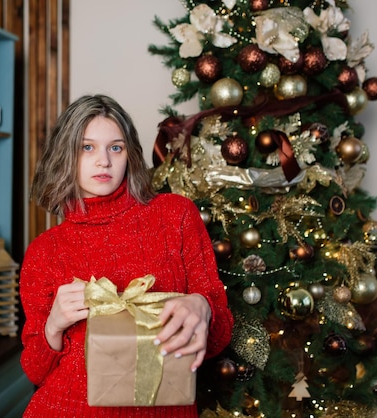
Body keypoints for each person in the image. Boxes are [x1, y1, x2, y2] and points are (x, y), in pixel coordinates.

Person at [19, 94, 233, 417]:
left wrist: (203, 307)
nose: (103, 161)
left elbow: (218, 339)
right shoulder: (43, 252)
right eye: (87, 147)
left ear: (129, 155)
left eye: (115, 147)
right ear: (66, 155)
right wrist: (53, 326)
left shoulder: (176, 217)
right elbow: (35, 371)